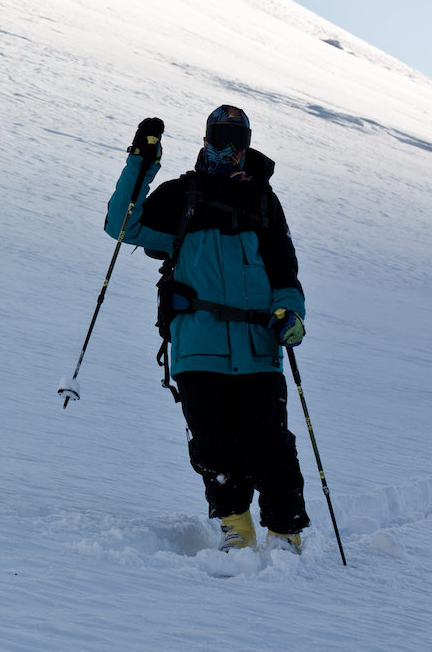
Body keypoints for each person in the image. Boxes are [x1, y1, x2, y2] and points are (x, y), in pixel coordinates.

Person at [105, 105, 310, 552]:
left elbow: (284, 270)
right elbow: (122, 225)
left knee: (269, 444)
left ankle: (285, 533)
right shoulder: (182, 196)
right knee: (214, 447)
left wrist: (291, 314)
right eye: (219, 137)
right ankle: (236, 527)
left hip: (259, 346)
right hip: (198, 346)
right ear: (204, 139)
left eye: (237, 140)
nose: (228, 149)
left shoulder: (263, 201)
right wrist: (141, 160)